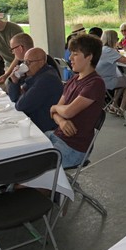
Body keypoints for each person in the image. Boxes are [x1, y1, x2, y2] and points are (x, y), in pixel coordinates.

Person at [48, 34, 106, 168]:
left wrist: (54, 108)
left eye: (75, 54)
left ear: (89, 57)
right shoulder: (74, 79)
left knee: (31, 165)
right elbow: (57, 112)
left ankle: (46, 187)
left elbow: (66, 111)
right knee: (24, 149)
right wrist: (61, 121)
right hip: (58, 136)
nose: (70, 58)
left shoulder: (95, 83)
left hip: (73, 148)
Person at [7, 47, 63, 132]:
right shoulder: (36, 74)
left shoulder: (47, 79)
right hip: (34, 123)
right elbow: (14, 98)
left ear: (41, 62)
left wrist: (22, 94)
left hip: (45, 129)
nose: (25, 66)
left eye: (28, 62)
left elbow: (21, 106)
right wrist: (15, 81)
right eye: (24, 62)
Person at [97, 30, 126, 115]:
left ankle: (114, 104)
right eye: (116, 38)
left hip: (100, 79)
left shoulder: (102, 49)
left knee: (121, 79)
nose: (117, 40)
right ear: (112, 39)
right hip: (106, 81)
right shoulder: (109, 51)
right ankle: (122, 108)